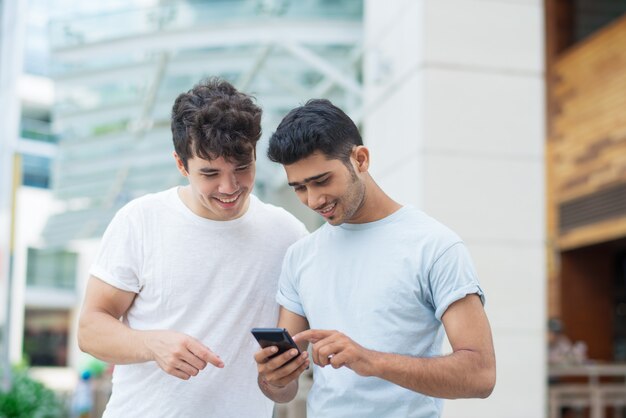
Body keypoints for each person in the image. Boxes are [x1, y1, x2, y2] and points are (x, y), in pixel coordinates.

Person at [77, 78, 307, 418]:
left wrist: (279, 378)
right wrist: (152, 344)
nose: (229, 187)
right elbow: (90, 329)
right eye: (210, 173)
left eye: (242, 168)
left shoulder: (289, 235)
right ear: (181, 164)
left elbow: (284, 390)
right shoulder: (140, 221)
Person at [254, 99, 496, 417]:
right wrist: (272, 378)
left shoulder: (435, 246)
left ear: (361, 159)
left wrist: (370, 361)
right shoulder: (301, 256)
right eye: (299, 187)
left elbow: (480, 375)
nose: (313, 200)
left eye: (322, 180)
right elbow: (283, 391)